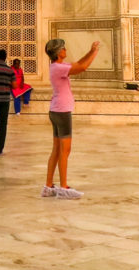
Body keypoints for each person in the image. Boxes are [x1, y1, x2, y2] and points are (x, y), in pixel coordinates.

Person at [41, 39, 100, 198]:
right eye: (64, 48)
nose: (66, 50)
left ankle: (48, 186)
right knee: (65, 150)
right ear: (59, 52)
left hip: (56, 110)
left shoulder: (56, 67)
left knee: (57, 149)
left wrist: (90, 50)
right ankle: (64, 186)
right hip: (62, 111)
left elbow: (78, 63)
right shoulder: (59, 68)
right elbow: (83, 67)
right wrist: (95, 53)